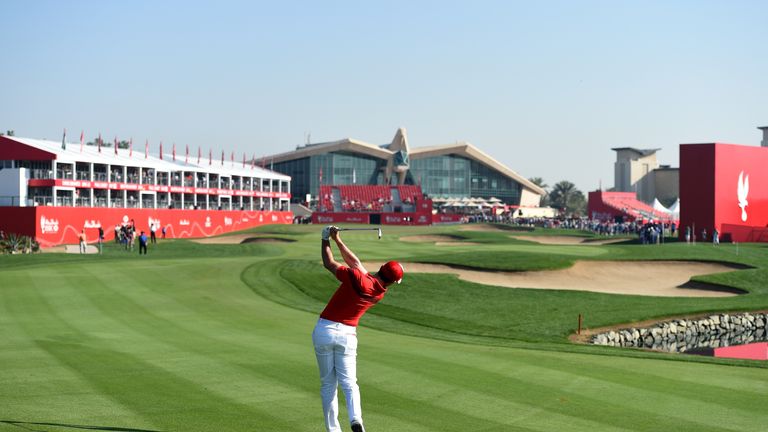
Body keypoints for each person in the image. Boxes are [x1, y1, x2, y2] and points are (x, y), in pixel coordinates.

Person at [312, 226, 404, 432]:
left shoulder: (355, 277)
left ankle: (333, 430)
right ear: (391, 282)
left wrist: (325, 238)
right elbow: (356, 263)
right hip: (347, 336)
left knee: (328, 385)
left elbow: (329, 263)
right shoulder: (378, 292)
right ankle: (356, 420)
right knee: (350, 383)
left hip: (324, 330)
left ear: (381, 268)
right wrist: (338, 239)